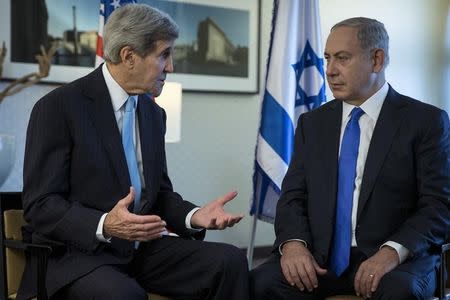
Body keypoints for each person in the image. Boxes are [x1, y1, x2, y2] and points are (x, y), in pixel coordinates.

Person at [18, 4, 249, 300]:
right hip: (80, 257)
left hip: (142, 251)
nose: (171, 67)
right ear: (128, 56)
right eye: (164, 54)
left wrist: (194, 215)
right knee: (125, 295)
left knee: (230, 262)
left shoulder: (153, 115)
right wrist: (105, 224)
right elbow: (41, 205)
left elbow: (159, 195)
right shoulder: (58, 108)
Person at [250, 17, 449, 300]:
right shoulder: (312, 123)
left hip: (396, 262)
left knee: (398, 292)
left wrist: (391, 252)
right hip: (321, 258)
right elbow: (293, 197)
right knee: (260, 282)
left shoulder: (426, 121)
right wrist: (294, 245)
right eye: (327, 58)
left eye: (342, 59)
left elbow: (439, 205)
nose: (329, 71)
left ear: (377, 60)